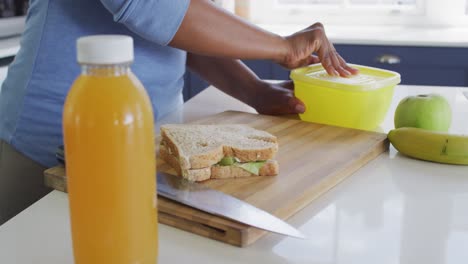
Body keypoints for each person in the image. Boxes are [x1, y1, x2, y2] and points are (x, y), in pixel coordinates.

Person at [0, 0, 358, 224]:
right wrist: (282, 47)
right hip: (47, 148)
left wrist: (256, 91)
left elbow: (184, 28)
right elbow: (150, 8)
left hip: (146, 151)